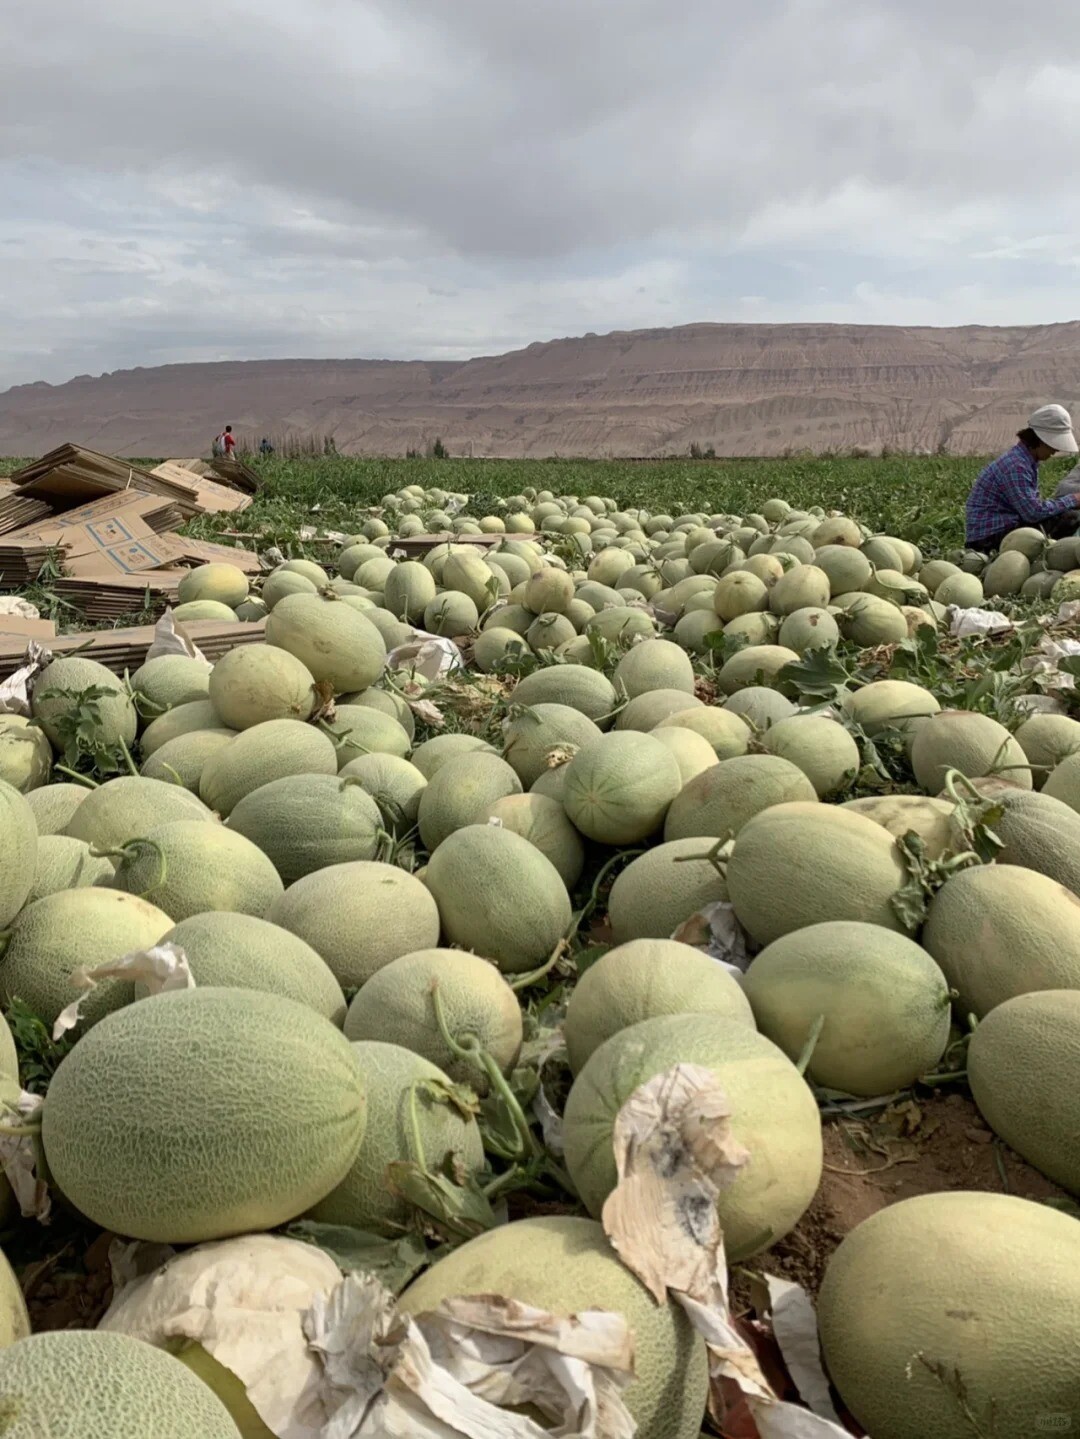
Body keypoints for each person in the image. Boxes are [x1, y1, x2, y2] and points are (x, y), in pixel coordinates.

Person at [965, 404, 1080, 551]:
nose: (1055, 450)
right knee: (1072, 519)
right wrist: (1073, 499)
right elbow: (1033, 513)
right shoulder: (1016, 466)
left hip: (1003, 531)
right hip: (988, 540)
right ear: (1039, 440)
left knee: (1065, 516)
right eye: (1053, 445)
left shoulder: (1025, 461)